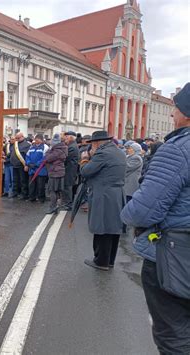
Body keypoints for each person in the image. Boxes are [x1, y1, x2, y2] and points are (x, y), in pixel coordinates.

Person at [121, 83, 190, 354]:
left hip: (175, 258)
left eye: (175, 107)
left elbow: (143, 210)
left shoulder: (178, 149)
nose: (172, 114)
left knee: (173, 336)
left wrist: (125, 213)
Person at [80, 130, 126, 271]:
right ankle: (110, 260)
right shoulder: (119, 152)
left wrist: (85, 159)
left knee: (103, 227)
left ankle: (101, 261)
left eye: (93, 143)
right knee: (113, 228)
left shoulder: (102, 153)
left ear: (97, 143)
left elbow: (86, 171)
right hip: (117, 193)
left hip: (104, 194)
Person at [44, 133, 67, 214]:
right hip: (58, 171)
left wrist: (49, 151)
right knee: (56, 190)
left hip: (55, 172)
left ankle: (52, 207)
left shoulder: (57, 150)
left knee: (52, 190)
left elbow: (48, 158)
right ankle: (55, 207)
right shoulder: (62, 148)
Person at [25, 134, 49, 203]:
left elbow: (45, 158)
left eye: (37, 139)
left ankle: (41, 198)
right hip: (32, 169)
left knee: (40, 185)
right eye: (35, 139)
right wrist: (29, 163)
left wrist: (36, 164)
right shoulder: (31, 147)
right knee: (32, 184)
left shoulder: (45, 147)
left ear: (41, 140)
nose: (35, 141)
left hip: (41, 169)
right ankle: (32, 197)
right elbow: (27, 156)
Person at [62, 131, 79, 210]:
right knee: (67, 187)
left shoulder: (72, 147)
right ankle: (67, 202)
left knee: (68, 187)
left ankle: (68, 204)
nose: (65, 138)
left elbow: (65, 158)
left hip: (70, 169)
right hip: (70, 169)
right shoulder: (71, 145)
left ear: (71, 138)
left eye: (67, 137)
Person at [10, 132, 30, 199]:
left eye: (18, 138)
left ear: (22, 137)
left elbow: (27, 156)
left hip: (22, 165)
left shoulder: (27, 145)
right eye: (16, 138)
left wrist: (26, 165)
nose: (17, 139)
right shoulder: (15, 144)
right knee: (15, 180)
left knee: (23, 181)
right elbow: (11, 153)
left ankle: (24, 194)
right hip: (14, 165)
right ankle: (15, 192)